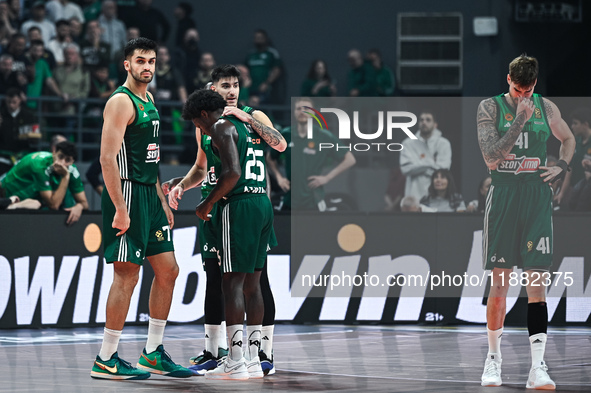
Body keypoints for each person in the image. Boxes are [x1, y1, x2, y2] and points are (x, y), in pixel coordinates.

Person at [163, 64, 286, 376]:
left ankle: (260, 353)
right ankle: (217, 351)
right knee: (217, 278)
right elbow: (202, 169)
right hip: (226, 203)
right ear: (212, 88)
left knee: (247, 280)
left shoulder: (249, 117)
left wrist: (247, 118)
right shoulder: (206, 124)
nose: (232, 90)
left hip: (239, 200)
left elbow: (280, 145)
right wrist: (181, 185)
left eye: (235, 85)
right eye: (225, 85)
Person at [90, 37, 192, 380]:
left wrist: (162, 201)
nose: (147, 66)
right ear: (127, 65)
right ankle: (106, 358)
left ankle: (152, 352)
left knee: (169, 270)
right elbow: (106, 159)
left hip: (149, 195)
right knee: (127, 274)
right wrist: (120, 207)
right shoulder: (121, 101)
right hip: (128, 194)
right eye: (140, 61)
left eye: (151, 61)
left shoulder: (150, 100)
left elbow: (153, 157)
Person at [477, 54, 575, 389]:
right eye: (519, 89)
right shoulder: (489, 108)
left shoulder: (546, 108)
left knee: (537, 284)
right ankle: (493, 361)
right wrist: (519, 119)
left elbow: (569, 139)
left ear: (535, 84)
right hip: (504, 195)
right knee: (500, 285)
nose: (524, 96)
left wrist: (562, 166)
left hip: (536, 196)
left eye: (529, 89)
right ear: (508, 80)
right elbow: (491, 156)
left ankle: (538, 367)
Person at [267, 97, 356, 211]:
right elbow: (270, 157)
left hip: (314, 199)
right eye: (298, 108)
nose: (302, 112)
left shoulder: (324, 136)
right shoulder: (286, 134)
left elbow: (350, 159)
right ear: (294, 112)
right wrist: (279, 178)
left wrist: (327, 178)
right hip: (290, 200)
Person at [0, 140, 89, 225]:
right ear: (54, 153)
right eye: (60, 157)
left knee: (36, 204)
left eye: (67, 160)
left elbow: (84, 203)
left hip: (31, 197)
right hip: (11, 190)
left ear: (72, 162)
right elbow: (54, 205)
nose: (62, 163)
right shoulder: (40, 166)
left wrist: (79, 206)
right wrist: (65, 177)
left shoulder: (73, 171)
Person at [400, 111, 452, 201]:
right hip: (413, 195)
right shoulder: (407, 143)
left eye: (428, 120)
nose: (424, 122)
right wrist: (431, 163)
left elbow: (444, 169)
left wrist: (417, 165)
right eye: (421, 120)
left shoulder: (443, 143)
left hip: (437, 196)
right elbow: (405, 169)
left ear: (435, 124)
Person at [554, 108, 591, 207]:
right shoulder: (575, 142)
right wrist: (561, 193)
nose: (572, 127)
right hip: (577, 191)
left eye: (575, 123)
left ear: (585, 124)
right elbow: (570, 170)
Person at [0, 87, 40, 174]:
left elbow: (36, 140)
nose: (11, 105)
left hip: (22, 154)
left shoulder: (29, 116)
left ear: (20, 100)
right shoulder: (1, 114)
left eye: (14, 102)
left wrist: (32, 136)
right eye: (8, 102)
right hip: (3, 155)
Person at [245, 29, 281, 104]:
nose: (258, 40)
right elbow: (245, 69)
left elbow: (276, 70)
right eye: (256, 38)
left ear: (265, 39)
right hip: (251, 87)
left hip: (266, 88)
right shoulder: (251, 54)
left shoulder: (271, 53)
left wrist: (267, 83)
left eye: (260, 38)